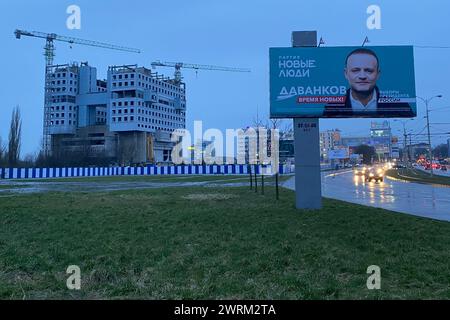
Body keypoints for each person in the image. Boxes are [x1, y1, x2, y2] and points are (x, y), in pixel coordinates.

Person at [323, 48, 414, 117]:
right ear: (346, 74)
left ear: (378, 74)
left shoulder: (399, 106)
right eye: (355, 70)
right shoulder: (332, 108)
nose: (362, 76)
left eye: (369, 71)